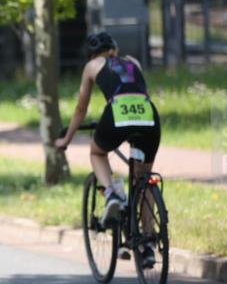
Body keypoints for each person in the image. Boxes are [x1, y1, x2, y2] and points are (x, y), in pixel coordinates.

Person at [56, 31, 161, 266]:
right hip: (148, 117)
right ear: (114, 49)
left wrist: (66, 140)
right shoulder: (133, 62)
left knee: (97, 152)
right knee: (143, 179)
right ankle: (148, 243)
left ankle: (112, 194)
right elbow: (138, 91)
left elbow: (81, 109)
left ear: (91, 54)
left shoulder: (92, 65)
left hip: (117, 115)